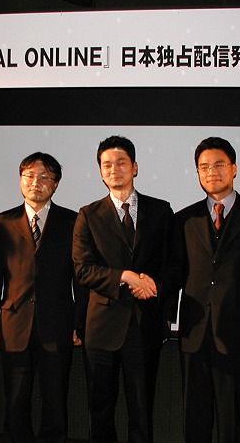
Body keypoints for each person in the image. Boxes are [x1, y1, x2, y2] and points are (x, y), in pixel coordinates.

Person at [168, 137, 240, 442]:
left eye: (219, 165)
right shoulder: (184, 219)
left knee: (233, 421)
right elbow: (175, 273)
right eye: (204, 167)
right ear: (197, 173)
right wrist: (165, 317)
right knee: (195, 421)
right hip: (194, 334)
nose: (211, 172)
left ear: (234, 168)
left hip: (237, 334)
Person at [72, 135, 174, 442]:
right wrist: (126, 277)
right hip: (101, 326)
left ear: (135, 167)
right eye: (107, 165)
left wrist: (154, 286)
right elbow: (83, 269)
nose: (114, 169)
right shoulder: (88, 214)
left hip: (145, 324)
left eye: (121, 163)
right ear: (100, 172)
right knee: (100, 410)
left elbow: (175, 264)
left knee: (142, 410)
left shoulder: (161, 211)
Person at [0, 152, 86, 443]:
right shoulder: (2, 222)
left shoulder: (73, 221)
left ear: (55, 184)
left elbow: (80, 278)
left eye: (44, 177)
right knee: (15, 401)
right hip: (14, 323)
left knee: (56, 400)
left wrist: (79, 323)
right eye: (29, 175)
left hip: (58, 324)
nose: (36, 182)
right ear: (20, 180)